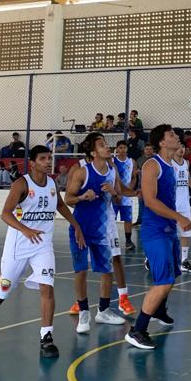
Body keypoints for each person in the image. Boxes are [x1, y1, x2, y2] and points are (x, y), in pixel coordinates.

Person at [0, 145, 83, 358]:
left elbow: (59, 204)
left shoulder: (51, 183)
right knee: (4, 288)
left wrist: (75, 225)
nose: (48, 161)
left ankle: (46, 338)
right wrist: (25, 229)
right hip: (19, 245)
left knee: (47, 287)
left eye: (50, 158)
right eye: (43, 158)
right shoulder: (21, 184)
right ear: (32, 162)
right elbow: (5, 214)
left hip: (42, 245)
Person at [125, 125, 191, 350]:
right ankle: (137, 330)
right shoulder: (152, 165)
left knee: (172, 276)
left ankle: (159, 310)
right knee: (163, 281)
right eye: (172, 135)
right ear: (162, 142)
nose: (177, 137)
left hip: (168, 230)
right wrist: (179, 217)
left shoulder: (170, 166)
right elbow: (150, 201)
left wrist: (175, 221)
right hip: (155, 232)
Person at [65, 132, 126, 333]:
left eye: (107, 144)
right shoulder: (83, 172)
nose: (107, 147)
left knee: (106, 270)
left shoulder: (113, 171)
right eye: (102, 145)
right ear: (93, 152)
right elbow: (68, 199)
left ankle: (103, 310)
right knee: (81, 270)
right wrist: (83, 196)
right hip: (81, 228)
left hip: (102, 229)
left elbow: (118, 200)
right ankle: (83, 313)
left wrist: (114, 191)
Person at [172, 142, 191, 274]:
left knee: (185, 233)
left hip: (184, 205)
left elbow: (188, 178)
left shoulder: (186, 163)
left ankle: (184, 261)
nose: (181, 150)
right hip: (172, 205)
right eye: (178, 147)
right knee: (168, 234)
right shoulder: (170, 163)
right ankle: (152, 257)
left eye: (183, 147)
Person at [112, 140, 137, 252]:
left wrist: (129, 189)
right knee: (110, 218)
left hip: (126, 195)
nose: (122, 150)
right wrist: (116, 193)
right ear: (116, 149)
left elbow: (133, 177)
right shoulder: (112, 162)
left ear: (127, 149)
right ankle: (110, 240)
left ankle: (128, 240)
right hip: (114, 195)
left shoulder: (132, 162)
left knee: (128, 219)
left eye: (124, 147)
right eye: (120, 147)